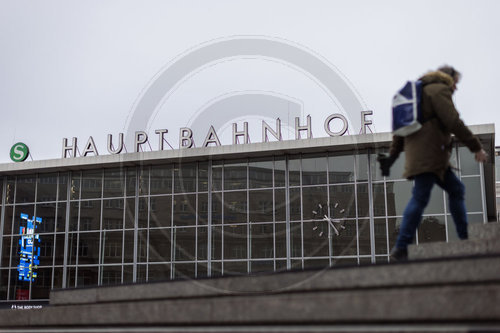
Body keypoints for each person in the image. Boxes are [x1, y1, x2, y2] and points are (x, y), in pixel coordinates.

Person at [380, 65, 488, 261]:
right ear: (448, 78)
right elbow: (453, 121)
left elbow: (399, 133)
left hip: (426, 157)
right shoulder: (438, 89)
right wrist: (476, 147)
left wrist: (392, 157)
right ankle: (401, 246)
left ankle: (464, 238)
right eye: (456, 83)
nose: (456, 88)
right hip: (430, 156)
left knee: (456, 189)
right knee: (420, 197)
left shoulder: (418, 93)